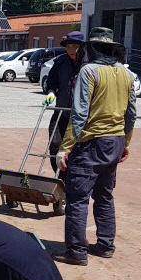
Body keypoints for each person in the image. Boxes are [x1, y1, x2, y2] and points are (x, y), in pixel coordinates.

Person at [53, 27, 136, 266]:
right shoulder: (126, 74)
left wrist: (65, 147)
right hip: (116, 141)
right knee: (105, 196)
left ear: (93, 48)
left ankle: (76, 251)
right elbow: (131, 114)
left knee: (78, 198)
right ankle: (105, 245)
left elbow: (79, 114)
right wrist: (126, 142)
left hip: (91, 142)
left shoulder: (89, 71)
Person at [43, 31, 85, 177]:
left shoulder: (88, 65)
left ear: (82, 47)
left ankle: (73, 181)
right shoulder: (60, 61)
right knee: (55, 145)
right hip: (61, 113)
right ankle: (59, 179)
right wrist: (50, 92)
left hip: (81, 117)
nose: (71, 50)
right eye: (68, 47)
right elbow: (52, 82)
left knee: (75, 150)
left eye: (75, 46)